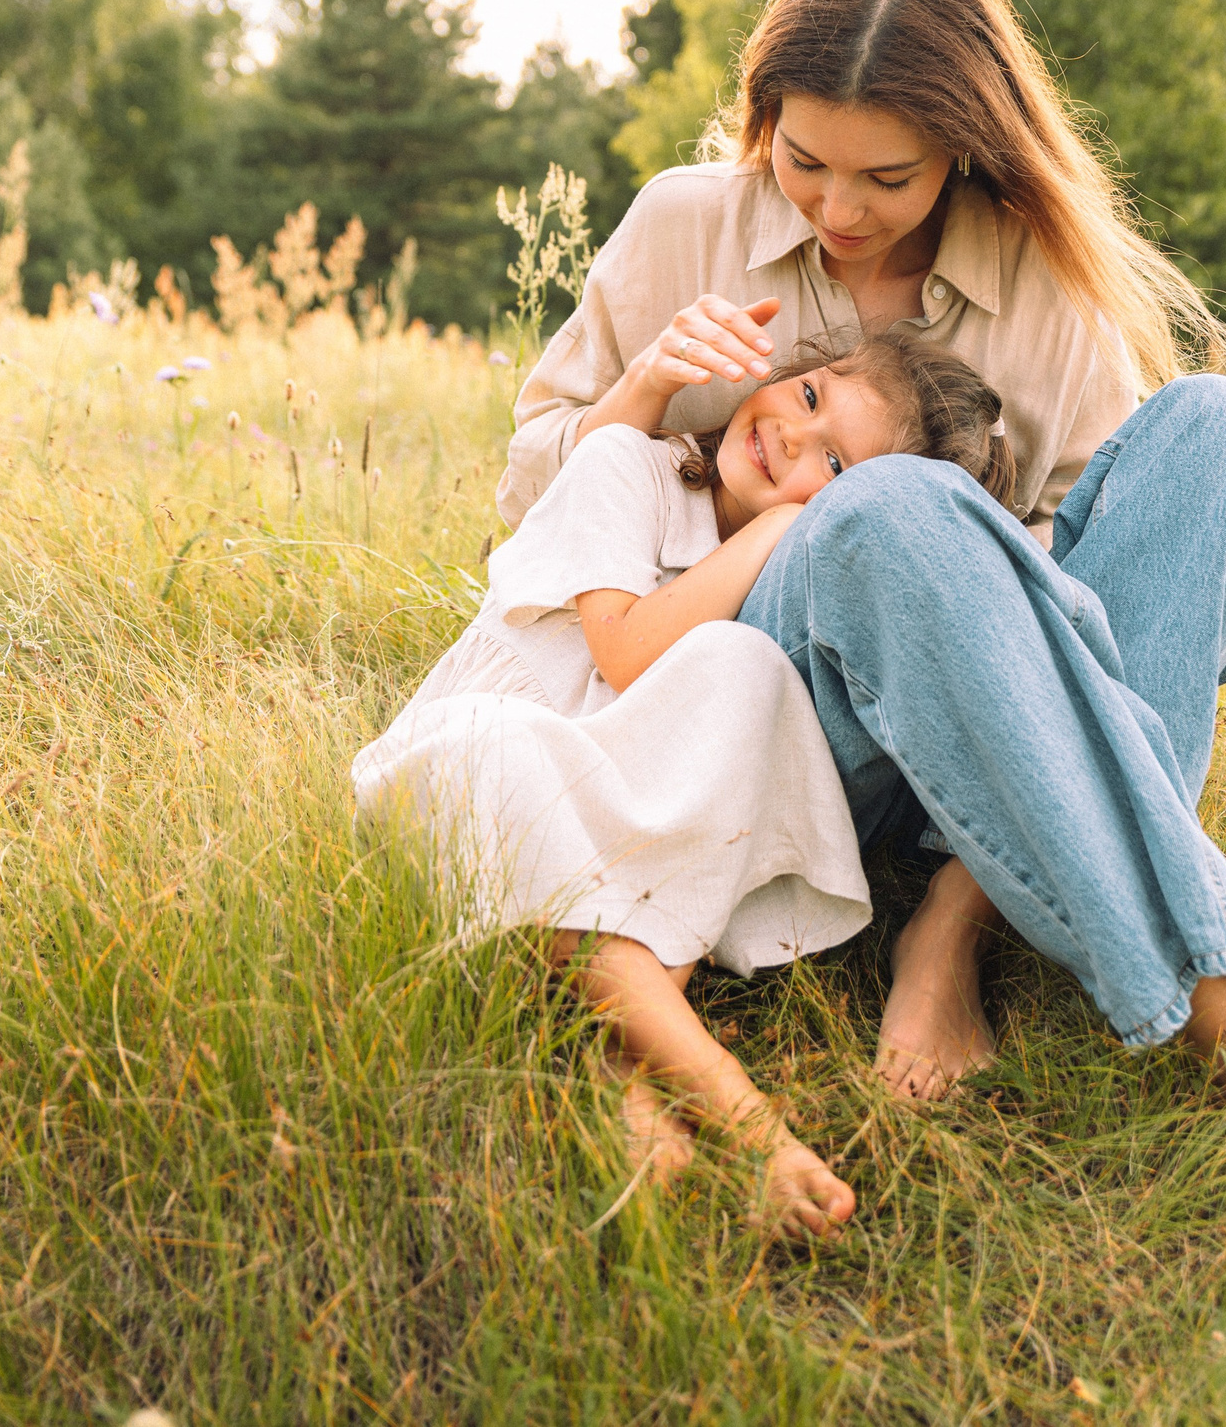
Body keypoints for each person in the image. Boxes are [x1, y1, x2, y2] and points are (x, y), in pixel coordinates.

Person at [501, 0, 1226, 1182]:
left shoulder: (1038, 278)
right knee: (887, 512)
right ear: (765, 116)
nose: (836, 207)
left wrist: (977, 568)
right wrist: (650, 394)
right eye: (804, 160)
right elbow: (532, 473)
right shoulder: (687, 221)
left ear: (966, 150)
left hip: (978, 721)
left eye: (889, 176)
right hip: (751, 704)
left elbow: (1114, 599)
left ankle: (958, 914)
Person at [357, 329, 1016, 1237]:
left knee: (747, 667)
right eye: (812, 397)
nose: (791, 436)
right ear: (787, 369)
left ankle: (625, 1069)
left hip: (622, 816)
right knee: (518, 756)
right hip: (481, 764)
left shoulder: (777, 592)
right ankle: (749, 1125)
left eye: (831, 462)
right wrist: (787, 523)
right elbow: (623, 650)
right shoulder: (626, 464)